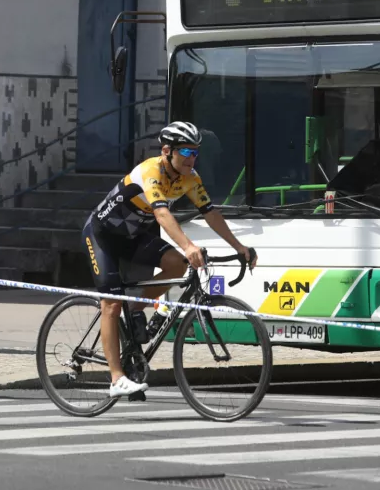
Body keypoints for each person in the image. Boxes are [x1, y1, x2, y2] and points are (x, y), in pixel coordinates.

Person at [82, 120, 255, 397]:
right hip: (103, 236)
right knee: (112, 305)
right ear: (167, 150)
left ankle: (135, 307)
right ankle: (116, 379)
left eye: (196, 152)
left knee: (177, 264)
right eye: (186, 152)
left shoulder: (190, 178)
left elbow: (210, 213)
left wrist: (239, 246)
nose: (192, 158)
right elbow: (162, 214)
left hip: (133, 236)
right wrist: (188, 245)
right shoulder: (150, 172)